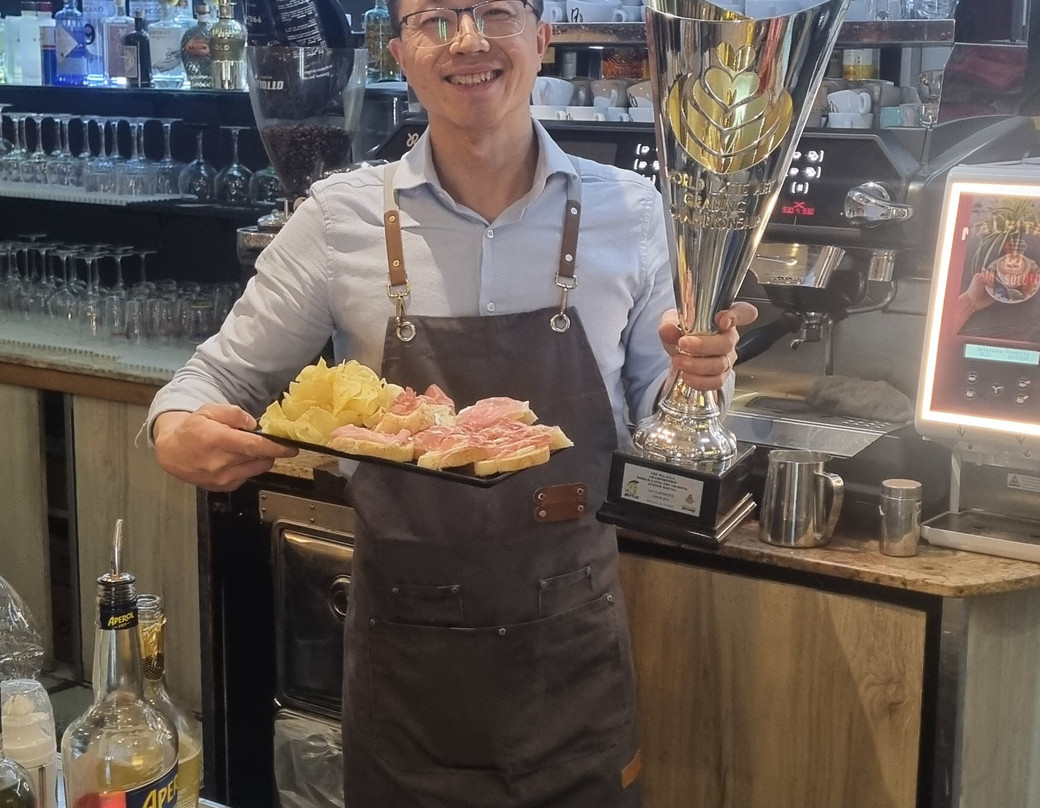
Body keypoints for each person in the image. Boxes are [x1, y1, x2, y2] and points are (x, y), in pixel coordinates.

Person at [149, 0, 757, 803]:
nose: (468, 41)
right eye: (436, 18)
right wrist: (176, 431)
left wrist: (700, 375)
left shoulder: (632, 210)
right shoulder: (338, 219)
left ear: (541, 40)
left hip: (572, 660)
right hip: (409, 673)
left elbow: (658, 420)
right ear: (401, 53)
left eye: (495, 12)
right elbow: (206, 383)